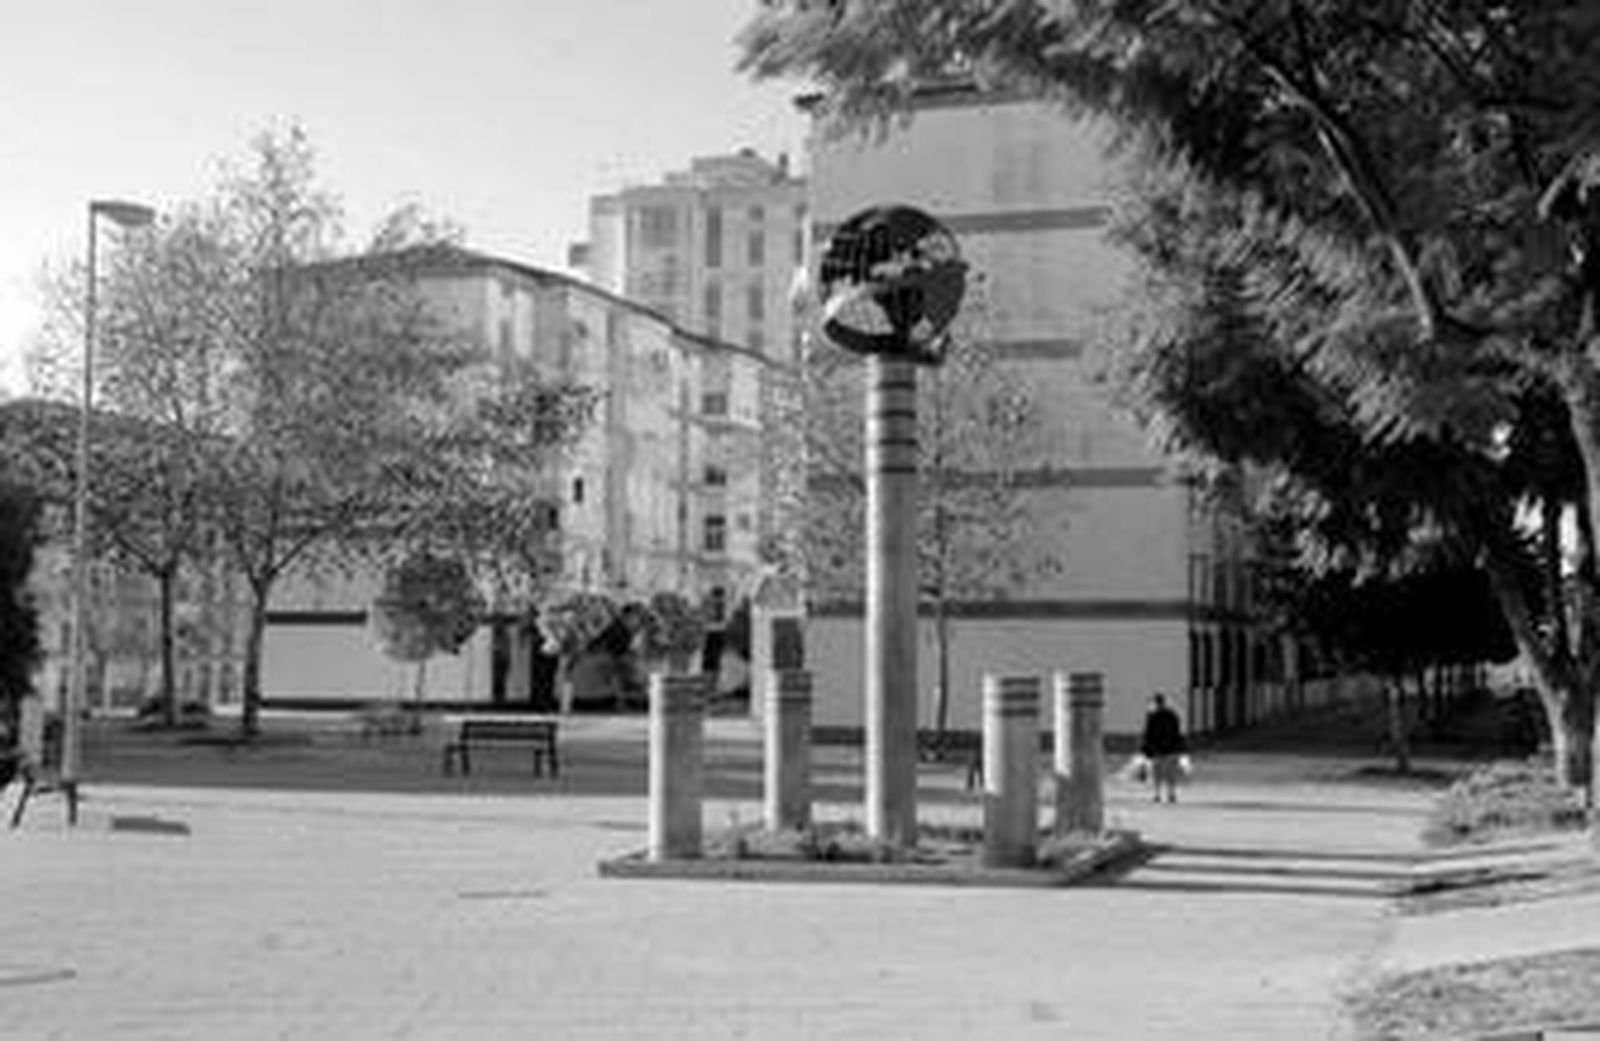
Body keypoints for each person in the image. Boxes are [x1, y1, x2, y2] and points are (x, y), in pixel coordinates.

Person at [1140, 693, 1187, 803]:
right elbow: (1177, 731)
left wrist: (1146, 750)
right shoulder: (1172, 715)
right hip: (1171, 748)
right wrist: (1180, 747)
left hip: (1158, 749)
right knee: (1170, 773)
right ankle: (1171, 793)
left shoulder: (1152, 717)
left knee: (1158, 772)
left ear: (1156, 703)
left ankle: (1157, 794)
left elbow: (1149, 734)